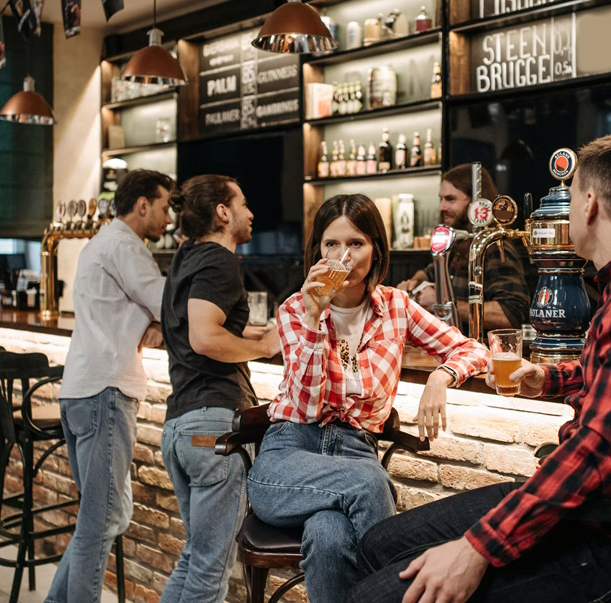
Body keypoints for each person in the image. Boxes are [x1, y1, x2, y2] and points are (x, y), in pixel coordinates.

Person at [348, 134, 611, 603]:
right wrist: (548, 378)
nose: (568, 208)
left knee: (376, 595)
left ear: (590, 203)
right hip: (596, 514)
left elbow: (599, 452)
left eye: (571, 195)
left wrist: (477, 549)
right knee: (378, 544)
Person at [246, 194, 489, 603]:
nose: (343, 256)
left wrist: (440, 378)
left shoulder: (395, 305)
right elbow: (305, 407)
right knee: (367, 480)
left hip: (356, 450)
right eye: (331, 245)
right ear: (317, 251)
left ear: (376, 248)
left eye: (356, 244)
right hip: (289, 457)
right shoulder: (294, 310)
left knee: (327, 534)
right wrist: (313, 319)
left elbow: (473, 350)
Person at [46, 170, 174, 603]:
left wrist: (153, 321)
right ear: (142, 205)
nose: (169, 218)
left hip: (81, 389)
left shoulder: (100, 243)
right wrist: (160, 318)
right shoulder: (126, 245)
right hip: (105, 392)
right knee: (101, 523)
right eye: (164, 206)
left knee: (104, 517)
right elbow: (167, 304)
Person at [160, 175, 279, 603]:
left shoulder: (186, 256)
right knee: (210, 569)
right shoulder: (220, 259)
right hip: (213, 431)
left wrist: (248, 330)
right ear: (223, 213)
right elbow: (204, 338)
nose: (251, 213)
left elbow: (200, 323)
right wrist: (263, 347)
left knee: (196, 559)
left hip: (180, 428)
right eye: (243, 203)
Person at [398, 164, 529, 334]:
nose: (442, 207)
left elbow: (509, 315)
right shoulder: (458, 245)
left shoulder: (494, 248)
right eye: (441, 199)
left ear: (475, 204)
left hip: (483, 354)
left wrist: (442, 304)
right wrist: (414, 282)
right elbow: (431, 272)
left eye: (450, 199)